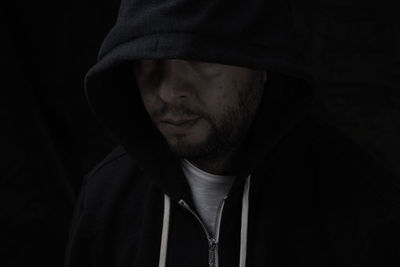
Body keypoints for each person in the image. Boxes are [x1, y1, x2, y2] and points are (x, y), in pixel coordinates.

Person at [65, 0, 400, 266]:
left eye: (200, 57)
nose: (169, 91)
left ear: (263, 63)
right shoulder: (106, 198)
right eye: (147, 60)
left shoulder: (361, 206)